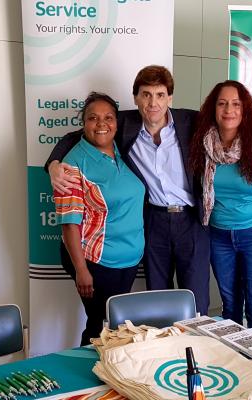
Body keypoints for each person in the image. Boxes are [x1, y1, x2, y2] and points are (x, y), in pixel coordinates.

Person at [46, 66, 211, 314]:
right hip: (153, 222)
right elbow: (76, 136)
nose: (153, 102)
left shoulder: (191, 121)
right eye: (146, 94)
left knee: (196, 301)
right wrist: (53, 164)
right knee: (159, 300)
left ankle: (194, 350)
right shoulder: (124, 123)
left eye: (160, 94)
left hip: (191, 222)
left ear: (170, 98)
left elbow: (231, 126)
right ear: (135, 98)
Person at [189, 80, 252, 334]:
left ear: (245, 109)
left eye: (236, 104)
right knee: (230, 307)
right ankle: (235, 367)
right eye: (222, 103)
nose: (229, 110)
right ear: (213, 108)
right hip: (219, 235)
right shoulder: (202, 143)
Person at [54, 92, 145, 345]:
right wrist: (81, 270)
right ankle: (87, 379)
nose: (101, 123)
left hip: (128, 259)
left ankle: (110, 378)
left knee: (116, 327)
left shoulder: (121, 149)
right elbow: (69, 223)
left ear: (117, 122)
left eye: (108, 117)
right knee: (98, 327)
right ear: (83, 123)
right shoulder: (72, 165)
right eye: (93, 118)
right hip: (96, 261)